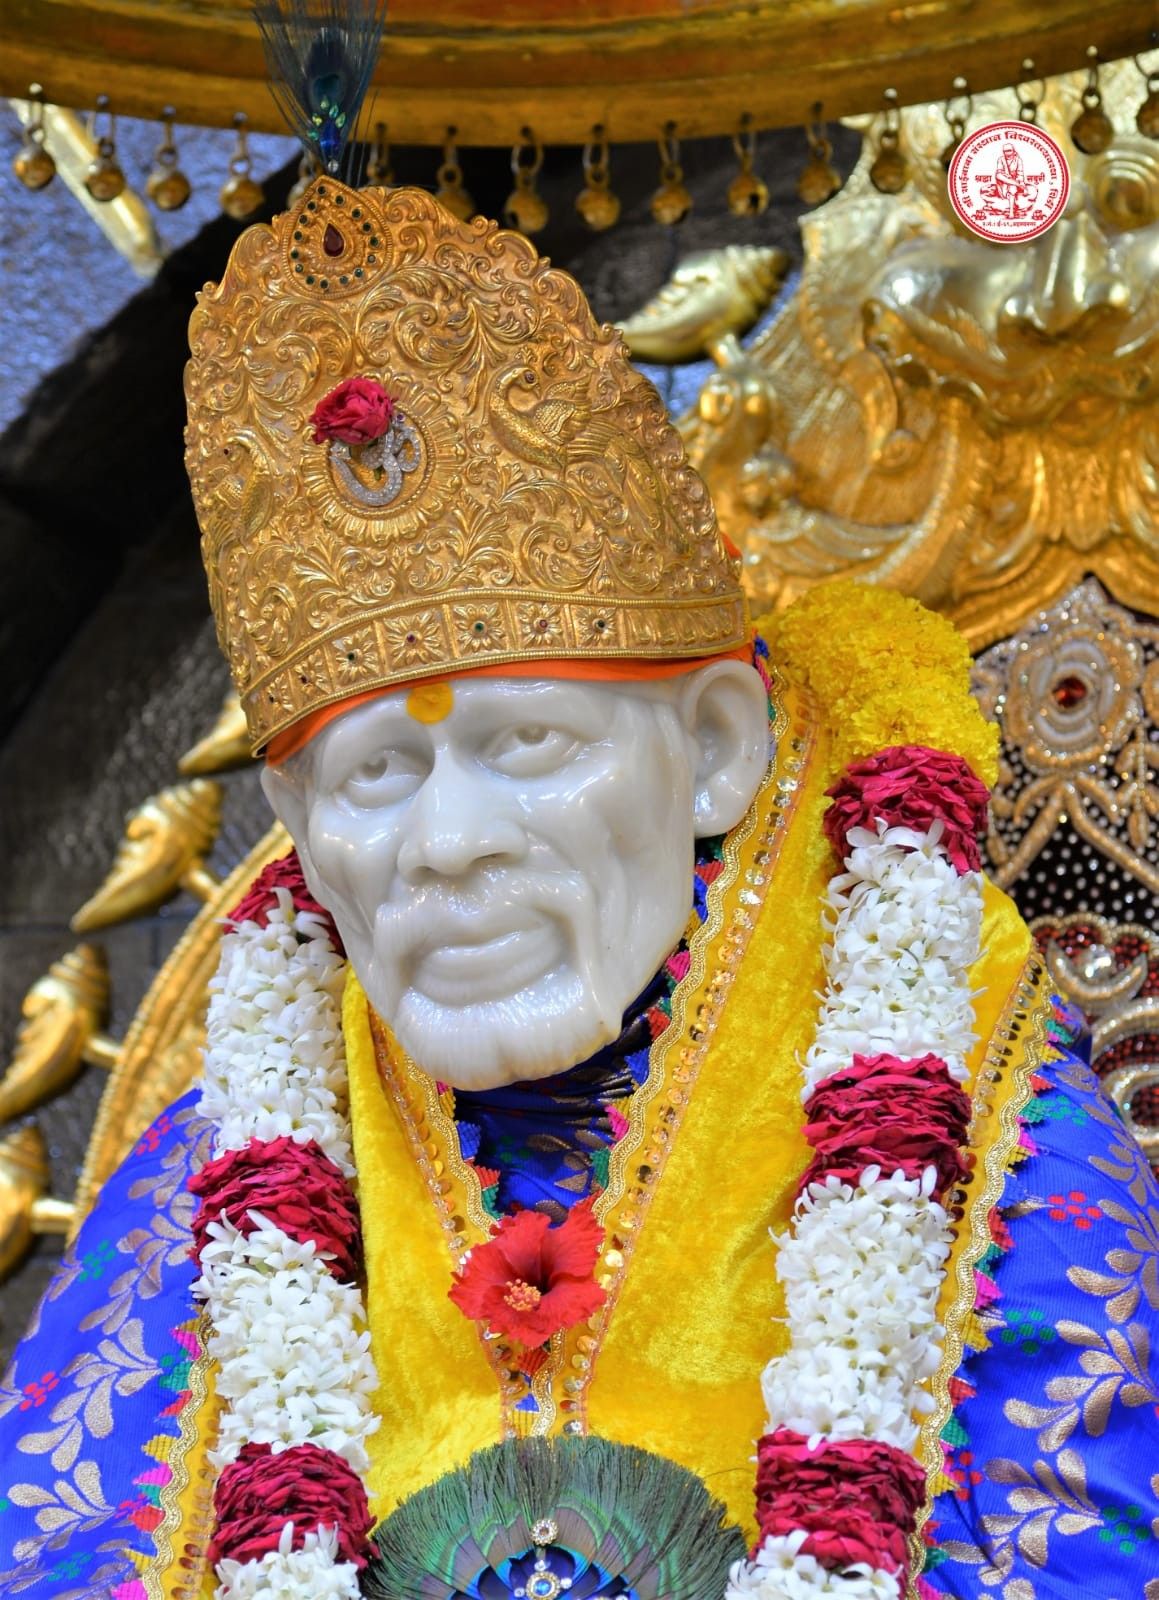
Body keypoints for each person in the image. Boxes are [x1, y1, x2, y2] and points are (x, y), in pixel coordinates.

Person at [1, 179, 1156, 1600]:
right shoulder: (208, 1184)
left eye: (529, 746)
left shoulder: (989, 1125)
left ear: (714, 749)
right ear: (295, 827)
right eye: (376, 777)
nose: (446, 843)